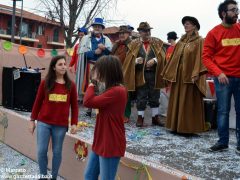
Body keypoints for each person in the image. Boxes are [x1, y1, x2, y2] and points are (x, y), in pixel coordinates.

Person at [28, 55, 78, 179]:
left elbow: (75, 107)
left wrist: (74, 123)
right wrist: (32, 120)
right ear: (54, 67)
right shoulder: (45, 83)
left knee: (57, 152)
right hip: (44, 122)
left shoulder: (71, 85)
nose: (63, 67)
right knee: (41, 151)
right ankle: (43, 175)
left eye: (64, 64)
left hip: (60, 125)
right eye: (60, 64)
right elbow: (37, 102)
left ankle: (54, 177)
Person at [202, 0, 240, 152]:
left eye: (237, 9)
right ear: (223, 13)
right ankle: (223, 141)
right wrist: (218, 73)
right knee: (223, 111)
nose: (236, 12)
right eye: (233, 10)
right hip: (223, 79)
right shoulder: (213, 33)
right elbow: (206, 57)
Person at [83, 55, 127, 180]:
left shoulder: (117, 91)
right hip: (101, 139)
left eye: (98, 69)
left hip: (111, 141)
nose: (95, 71)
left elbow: (88, 102)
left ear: (107, 71)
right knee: (89, 176)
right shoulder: (110, 89)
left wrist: (91, 84)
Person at [161, 16, 207, 134]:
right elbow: (174, 58)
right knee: (177, 100)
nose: (186, 25)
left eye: (188, 23)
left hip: (190, 76)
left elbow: (201, 57)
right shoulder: (181, 41)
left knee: (188, 101)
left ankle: (188, 128)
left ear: (195, 26)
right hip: (178, 75)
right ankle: (176, 126)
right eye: (185, 24)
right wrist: (168, 72)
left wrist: (197, 73)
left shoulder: (199, 40)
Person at [123, 22, 166, 127]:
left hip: (154, 75)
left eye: (148, 31)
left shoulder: (157, 42)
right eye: (145, 31)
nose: (147, 33)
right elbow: (128, 61)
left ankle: (155, 117)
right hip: (140, 75)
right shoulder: (133, 44)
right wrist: (135, 61)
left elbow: (163, 57)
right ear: (140, 32)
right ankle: (140, 118)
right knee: (141, 96)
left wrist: (155, 60)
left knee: (155, 96)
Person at [77, 17, 112, 117]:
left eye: (99, 26)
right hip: (91, 65)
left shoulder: (107, 40)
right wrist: (94, 52)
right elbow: (82, 54)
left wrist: (104, 49)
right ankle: (89, 108)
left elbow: (111, 53)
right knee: (91, 86)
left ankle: (100, 108)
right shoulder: (86, 38)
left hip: (103, 67)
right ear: (93, 28)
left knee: (102, 87)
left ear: (102, 28)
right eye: (95, 26)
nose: (97, 28)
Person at [111, 25, 132, 123]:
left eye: (124, 33)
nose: (121, 35)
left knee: (125, 94)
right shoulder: (116, 44)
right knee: (114, 93)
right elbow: (111, 56)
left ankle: (126, 114)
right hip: (115, 72)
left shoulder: (132, 44)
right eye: (120, 33)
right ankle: (115, 113)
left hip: (127, 72)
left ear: (128, 34)